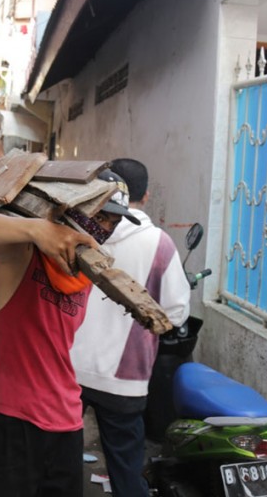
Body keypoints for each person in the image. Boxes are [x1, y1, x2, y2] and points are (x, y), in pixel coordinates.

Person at [0, 169, 140, 497]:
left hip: (68, 421)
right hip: (17, 421)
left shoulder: (84, 274)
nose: (106, 228)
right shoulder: (24, 254)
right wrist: (37, 228)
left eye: (114, 222)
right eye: (101, 217)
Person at [70, 158, 190, 497]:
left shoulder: (77, 232)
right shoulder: (159, 243)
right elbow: (176, 313)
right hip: (125, 378)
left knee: (60, 461)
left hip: (70, 366)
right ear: (146, 195)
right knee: (125, 470)